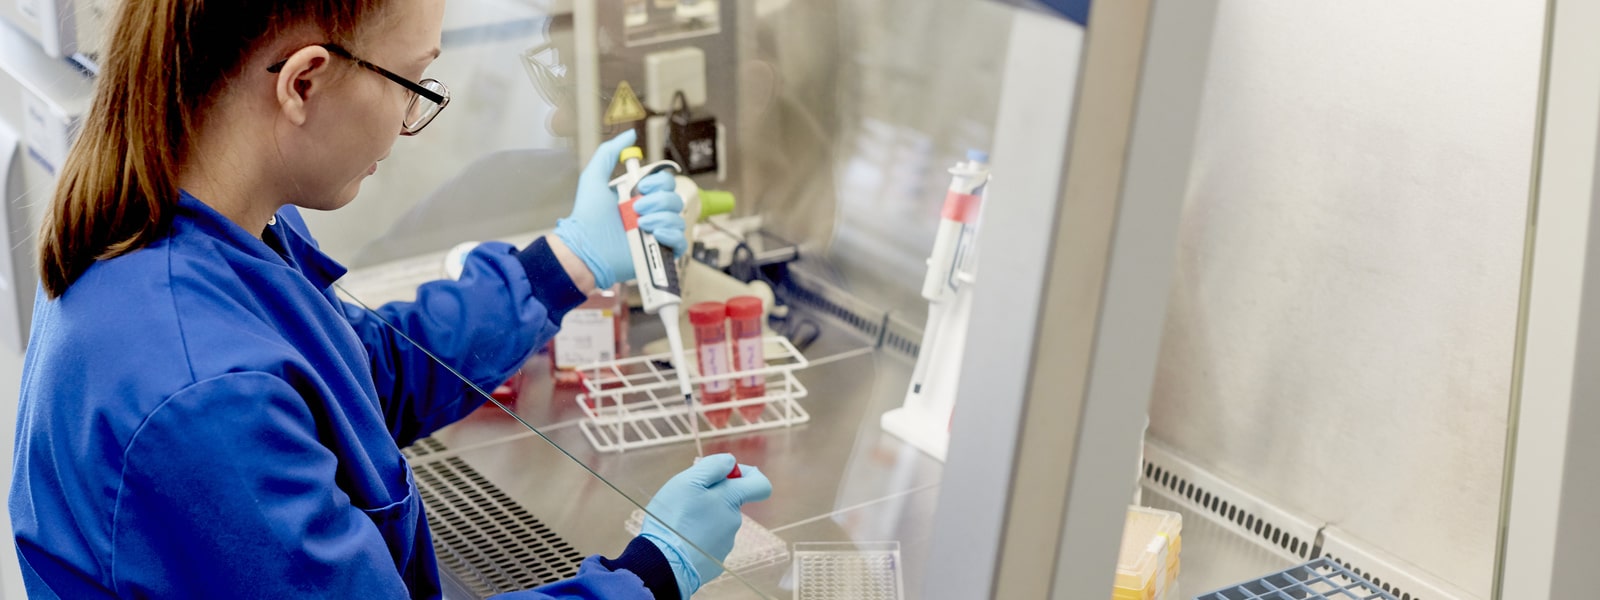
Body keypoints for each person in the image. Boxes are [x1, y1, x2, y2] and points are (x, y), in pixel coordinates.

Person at [8, 1, 771, 598]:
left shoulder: (195, 225)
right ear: (302, 82)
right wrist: (652, 573)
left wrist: (563, 263)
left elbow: (356, 375)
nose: (414, 125)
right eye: (413, 84)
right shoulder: (203, 390)